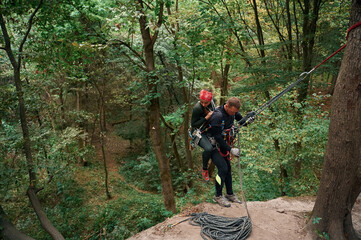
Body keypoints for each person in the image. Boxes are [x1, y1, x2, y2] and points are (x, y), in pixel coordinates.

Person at [207, 97, 255, 207]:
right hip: (214, 146)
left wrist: (249, 119)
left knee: (228, 169)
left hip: (224, 145)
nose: (233, 114)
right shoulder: (217, 115)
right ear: (227, 106)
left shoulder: (233, 112)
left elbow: (242, 122)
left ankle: (229, 194)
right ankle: (218, 196)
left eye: (235, 112)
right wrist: (231, 149)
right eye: (232, 111)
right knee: (222, 169)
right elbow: (217, 136)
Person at [190, 89, 216, 182]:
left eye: (206, 102)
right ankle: (204, 169)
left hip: (208, 128)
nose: (204, 104)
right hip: (198, 131)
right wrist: (206, 117)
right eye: (202, 102)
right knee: (208, 148)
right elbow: (193, 124)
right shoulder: (197, 108)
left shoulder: (212, 103)